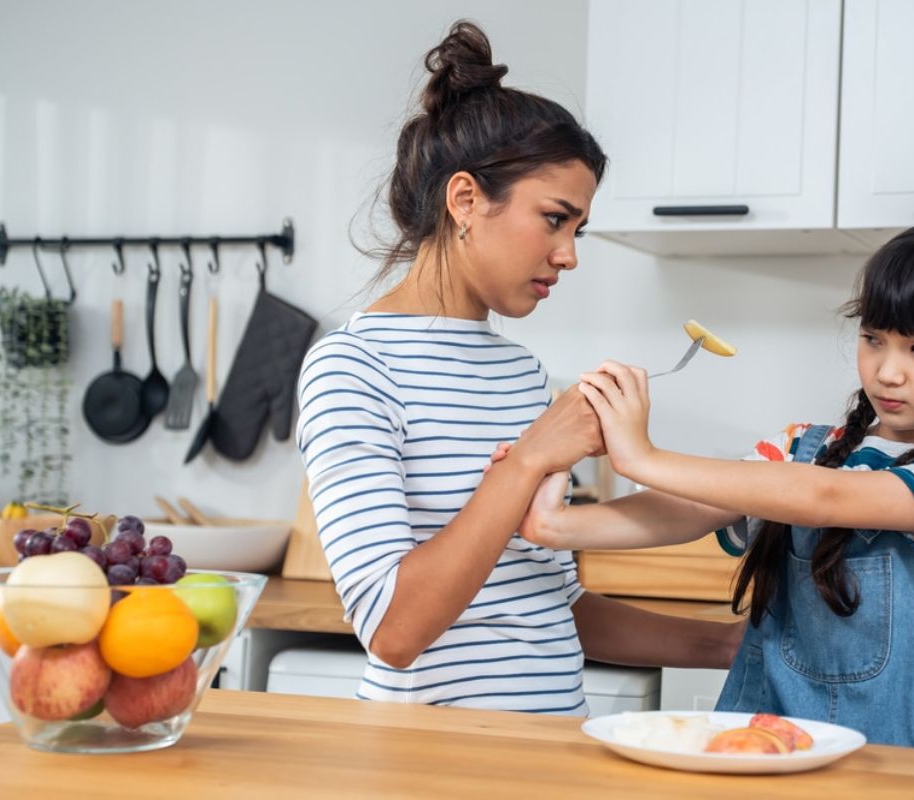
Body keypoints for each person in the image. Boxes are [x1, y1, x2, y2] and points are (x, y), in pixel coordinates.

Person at [296, 20, 741, 715]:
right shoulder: (353, 368)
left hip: (549, 751)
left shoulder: (520, 372)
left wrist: (728, 645)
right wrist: (531, 457)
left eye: (578, 229)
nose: (569, 255)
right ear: (466, 200)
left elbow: (549, 604)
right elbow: (393, 630)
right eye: (555, 219)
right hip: (434, 761)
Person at [509, 219, 914, 752]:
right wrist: (554, 520)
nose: (887, 372)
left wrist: (640, 456)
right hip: (769, 747)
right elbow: (686, 509)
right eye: (874, 340)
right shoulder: (795, 447)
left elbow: (824, 499)